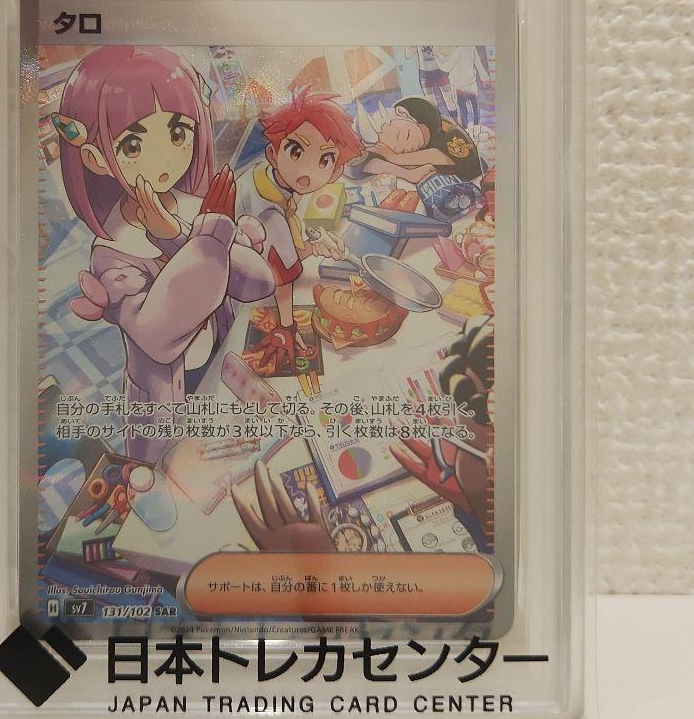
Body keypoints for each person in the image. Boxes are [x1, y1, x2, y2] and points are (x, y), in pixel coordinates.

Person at [53, 46, 275, 462]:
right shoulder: (112, 252)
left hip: (223, 372)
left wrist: (177, 233)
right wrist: (206, 237)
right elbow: (159, 333)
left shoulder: (193, 207)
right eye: (134, 144)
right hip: (164, 407)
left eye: (177, 133)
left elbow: (258, 283)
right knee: (173, 478)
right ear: (96, 158)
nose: (165, 157)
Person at [235, 87, 363, 367]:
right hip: (238, 300)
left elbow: (282, 251)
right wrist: (286, 327)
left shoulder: (266, 177)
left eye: (324, 159)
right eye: (296, 151)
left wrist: (315, 246)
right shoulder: (269, 211)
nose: (307, 171)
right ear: (273, 153)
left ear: (335, 171)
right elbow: (282, 275)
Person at [351, 95, 482, 185]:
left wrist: (395, 157)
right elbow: (361, 165)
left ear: (404, 114)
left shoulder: (448, 130)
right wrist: (407, 173)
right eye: (401, 150)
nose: (408, 148)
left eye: (404, 136)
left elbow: (441, 156)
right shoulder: (392, 145)